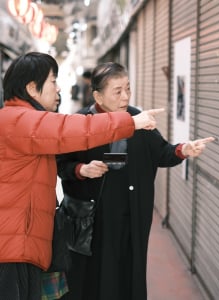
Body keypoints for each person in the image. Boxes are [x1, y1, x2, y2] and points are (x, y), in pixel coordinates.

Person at [0, 52, 163, 300]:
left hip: (21, 242)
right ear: (32, 88)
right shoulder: (20, 120)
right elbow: (77, 130)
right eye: (53, 81)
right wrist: (131, 122)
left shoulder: (17, 119)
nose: (58, 89)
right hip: (13, 248)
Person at [56, 62, 215, 300]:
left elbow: (162, 152)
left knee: (126, 273)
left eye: (127, 89)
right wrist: (82, 169)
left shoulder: (138, 121)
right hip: (92, 219)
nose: (125, 96)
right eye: (117, 91)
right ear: (98, 95)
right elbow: (61, 165)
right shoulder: (81, 123)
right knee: (90, 276)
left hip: (129, 216)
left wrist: (184, 149)